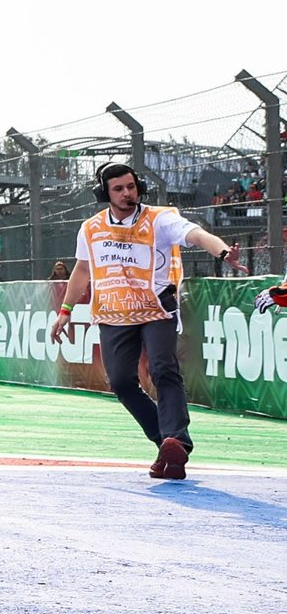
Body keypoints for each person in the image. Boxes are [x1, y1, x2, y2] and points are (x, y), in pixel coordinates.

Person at [57, 161, 235, 478]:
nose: (128, 193)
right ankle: (165, 446)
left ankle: (176, 440)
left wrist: (221, 251)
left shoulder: (159, 219)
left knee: (163, 367)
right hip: (114, 313)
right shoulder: (92, 228)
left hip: (156, 308)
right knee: (122, 382)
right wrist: (66, 311)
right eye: (119, 189)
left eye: (131, 186)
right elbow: (83, 270)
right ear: (104, 193)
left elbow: (195, 234)